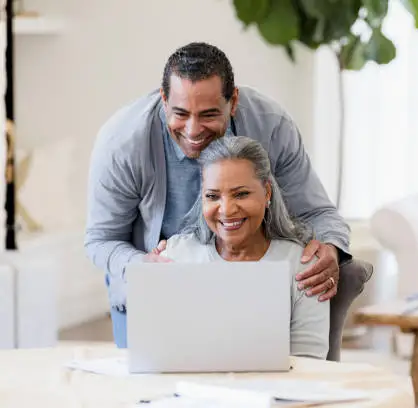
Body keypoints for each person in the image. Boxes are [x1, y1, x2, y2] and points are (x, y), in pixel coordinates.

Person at [84, 42, 352, 349]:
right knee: (148, 387)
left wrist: (330, 247)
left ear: (233, 100)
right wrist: (144, 268)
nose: (193, 130)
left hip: (251, 281)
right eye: (180, 113)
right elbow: (101, 240)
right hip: (160, 282)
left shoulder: (272, 125)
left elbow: (317, 212)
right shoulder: (121, 144)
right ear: (163, 99)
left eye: (209, 115)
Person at [157, 136, 329, 358]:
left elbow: (310, 361)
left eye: (241, 194)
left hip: (276, 390)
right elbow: (160, 353)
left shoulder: (302, 266)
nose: (227, 210)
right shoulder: (174, 256)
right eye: (212, 196)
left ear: (267, 192)